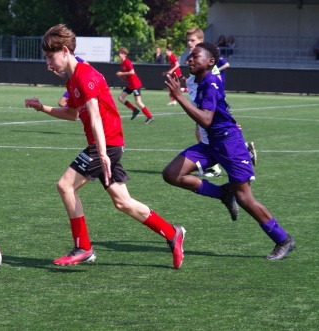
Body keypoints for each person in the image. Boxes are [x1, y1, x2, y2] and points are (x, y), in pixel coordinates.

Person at [24, 24, 185, 269]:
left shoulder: (85, 76)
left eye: (50, 57)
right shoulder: (73, 78)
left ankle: (83, 247)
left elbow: (95, 116)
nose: (48, 63)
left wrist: (101, 154)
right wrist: (42, 107)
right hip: (108, 144)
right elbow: (72, 114)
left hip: (106, 144)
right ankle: (173, 234)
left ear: (65, 51)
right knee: (123, 202)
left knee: (65, 186)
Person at [163, 42, 295, 261]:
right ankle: (223, 193)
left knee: (244, 197)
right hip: (211, 144)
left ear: (211, 62)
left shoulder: (212, 82)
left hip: (229, 144)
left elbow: (206, 119)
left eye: (195, 56)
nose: (190, 59)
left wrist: (179, 96)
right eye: (189, 56)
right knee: (171, 174)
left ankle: (283, 240)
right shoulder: (199, 79)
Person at [186, 28, 257, 178]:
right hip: (204, 106)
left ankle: (216, 166)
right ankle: (241, 150)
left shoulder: (208, 62)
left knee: (207, 132)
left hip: (212, 106)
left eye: (192, 40)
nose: (189, 43)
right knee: (202, 132)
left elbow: (214, 84)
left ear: (200, 41)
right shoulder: (195, 60)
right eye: (188, 40)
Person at [116, 47, 154, 124]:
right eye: (119, 53)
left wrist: (122, 74)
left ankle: (150, 117)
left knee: (138, 102)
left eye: (121, 53)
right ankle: (134, 110)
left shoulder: (127, 62)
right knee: (120, 98)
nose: (119, 54)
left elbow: (132, 72)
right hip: (131, 84)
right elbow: (128, 74)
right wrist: (124, 77)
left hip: (135, 84)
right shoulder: (122, 63)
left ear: (125, 54)